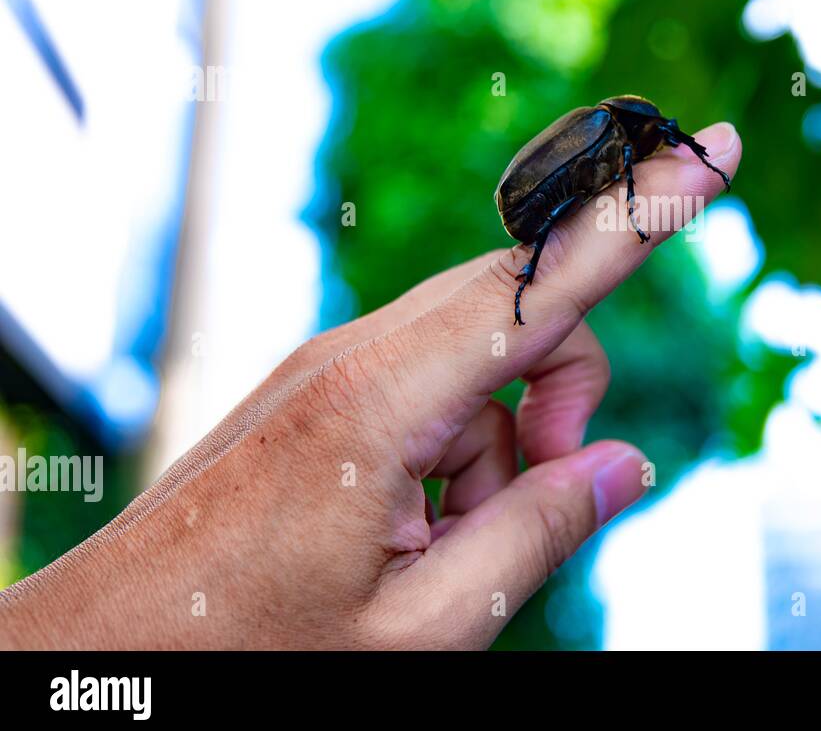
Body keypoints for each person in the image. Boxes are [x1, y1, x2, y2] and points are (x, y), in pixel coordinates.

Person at [0, 124, 740, 649]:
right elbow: (575, 192)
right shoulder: (609, 140)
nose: (661, 145)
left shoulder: (614, 138)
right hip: (530, 210)